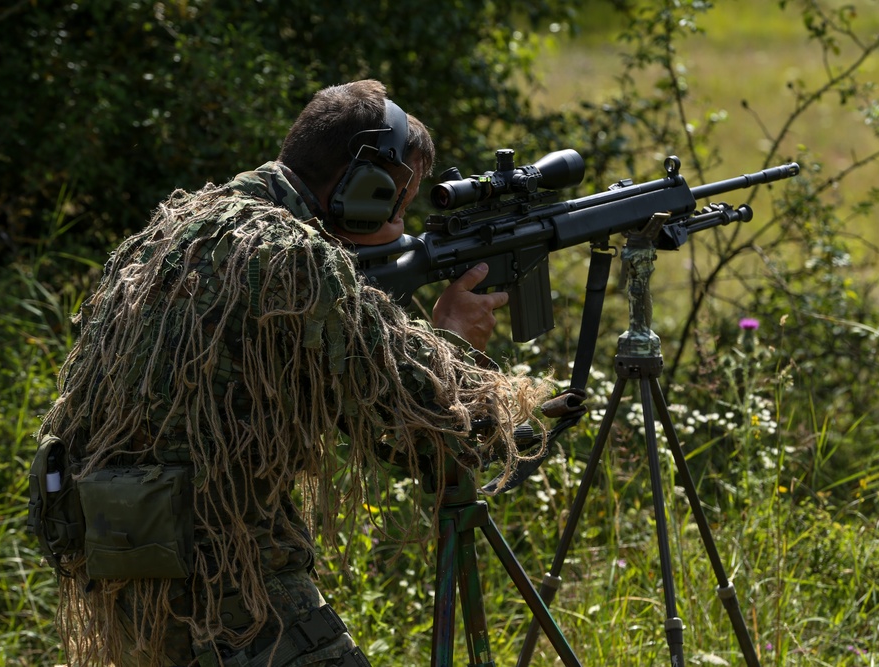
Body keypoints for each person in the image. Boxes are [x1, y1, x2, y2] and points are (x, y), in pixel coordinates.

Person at [37, 79, 549, 666]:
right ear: (362, 189)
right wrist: (454, 336)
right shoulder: (295, 258)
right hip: (224, 574)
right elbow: (432, 424)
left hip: (123, 554)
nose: (397, 227)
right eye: (395, 204)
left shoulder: (178, 227)